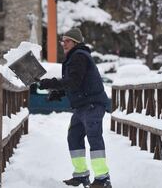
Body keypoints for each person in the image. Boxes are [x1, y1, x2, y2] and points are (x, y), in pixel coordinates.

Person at [39, 28, 111, 188]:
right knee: (74, 136)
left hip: (92, 104)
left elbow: (74, 81)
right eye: (63, 41)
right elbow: (77, 83)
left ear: (76, 42)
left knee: (94, 138)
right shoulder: (74, 57)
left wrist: (50, 83)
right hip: (82, 106)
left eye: (68, 41)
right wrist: (59, 92)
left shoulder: (79, 56)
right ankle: (81, 175)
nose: (64, 44)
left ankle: (103, 178)